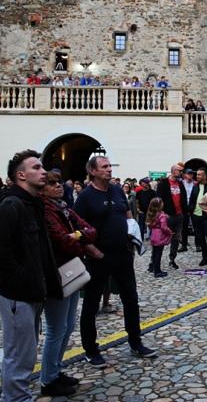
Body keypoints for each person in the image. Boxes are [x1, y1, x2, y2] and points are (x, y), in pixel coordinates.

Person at [0, 150, 63, 402]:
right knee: (19, 354)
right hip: (17, 293)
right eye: (37, 167)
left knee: (26, 352)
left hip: (31, 291)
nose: (44, 172)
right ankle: (16, 399)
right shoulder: (12, 205)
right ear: (21, 175)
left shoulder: (33, 203)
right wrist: (25, 280)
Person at [74, 155, 157, 368]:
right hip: (99, 256)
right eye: (104, 167)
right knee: (91, 304)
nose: (109, 170)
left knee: (131, 300)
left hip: (122, 254)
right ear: (92, 171)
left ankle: (135, 342)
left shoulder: (118, 191)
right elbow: (75, 228)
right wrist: (94, 252)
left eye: (110, 166)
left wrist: (131, 244)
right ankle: (91, 350)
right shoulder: (85, 197)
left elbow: (129, 218)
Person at [39, 170, 98, 396]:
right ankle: (48, 380)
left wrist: (79, 236)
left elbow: (91, 230)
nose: (57, 186)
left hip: (71, 270)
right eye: (51, 183)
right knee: (56, 328)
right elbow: (62, 242)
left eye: (59, 183)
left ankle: (55, 370)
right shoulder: (45, 209)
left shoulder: (63, 207)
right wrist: (78, 239)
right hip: (57, 273)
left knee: (68, 326)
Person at [155, 164, 186, 269]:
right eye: (180, 171)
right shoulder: (164, 184)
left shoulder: (180, 184)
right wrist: (162, 213)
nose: (182, 173)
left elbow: (183, 197)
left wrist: (184, 211)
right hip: (167, 215)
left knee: (176, 239)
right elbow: (159, 199)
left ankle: (172, 259)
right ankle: (154, 261)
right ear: (174, 171)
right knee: (161, 238)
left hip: (179, 214)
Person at [189, 169, 207, 266]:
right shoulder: (195, 187)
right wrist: (190, 211)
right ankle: (205, 258)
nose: (197, 176)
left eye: (199, 175)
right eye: (197, 174)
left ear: (205, 176)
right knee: (200, 237)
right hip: (196, 216)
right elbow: (192, 200)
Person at [146, 198, 171, 278]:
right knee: (158, 254)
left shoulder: (151, 215)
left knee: (154, 252)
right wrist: (169, 232)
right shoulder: (161, 216)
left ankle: (153, 267)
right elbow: (164, 227)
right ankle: (157, 270)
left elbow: (149, 226)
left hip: (154, 235)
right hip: (160, 236)